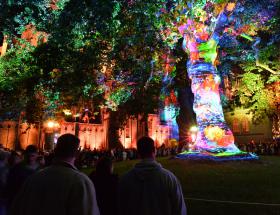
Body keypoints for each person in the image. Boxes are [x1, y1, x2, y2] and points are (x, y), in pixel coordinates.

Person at [10, 133, 100, 215]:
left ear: (55, 151)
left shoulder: (33, 178)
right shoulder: (81, 182)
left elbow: (16, 209)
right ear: (77, 154)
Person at [118, 136, 187, 215]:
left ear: (138, 152)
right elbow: (179, 209)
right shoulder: (169, 178)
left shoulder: (125, 179)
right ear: (154, 150)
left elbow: (121, 208)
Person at [5, 145, 39, 211]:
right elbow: (10, 185)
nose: (30, 158)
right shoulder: (16, 168)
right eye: (28, 156)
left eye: (32, 156)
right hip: (18, 200)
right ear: (25, 155)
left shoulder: (41, 169)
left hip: (33, 201)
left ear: (37, 155)